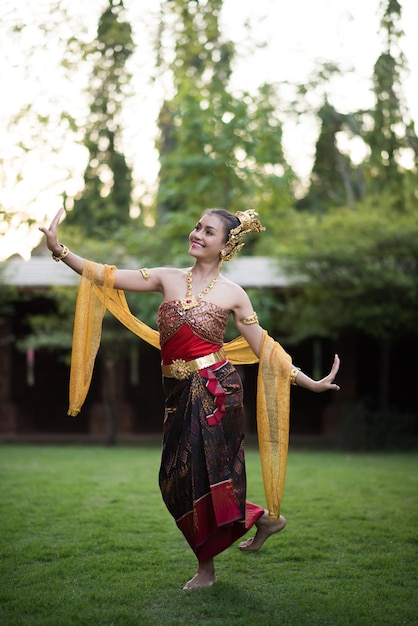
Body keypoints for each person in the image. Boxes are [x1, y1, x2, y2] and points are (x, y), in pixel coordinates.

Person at [39, 207, 340, 590]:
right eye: (197, 226)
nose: (196, 234)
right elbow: (105, 275)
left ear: (226, 245)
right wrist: (59, 249)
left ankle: (207, 570)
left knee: (208, 479)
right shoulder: (166, 278)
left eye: (208, 231)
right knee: (173, 479)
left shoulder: (234, 295)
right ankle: (263, 520)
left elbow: (263, 346)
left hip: (217, 393)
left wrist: (308, 382)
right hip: (177, 394)